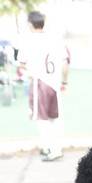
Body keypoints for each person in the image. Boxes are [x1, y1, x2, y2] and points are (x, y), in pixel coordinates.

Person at [17, 10, 69, 162]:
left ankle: (50, 149)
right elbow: (65, 63)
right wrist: (64, 82)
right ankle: (56, 148)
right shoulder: (55, 38)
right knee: (55, 118)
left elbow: (21, 64)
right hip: (54, 83)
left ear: (30, 24)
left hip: (39, 82)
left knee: (42, 119)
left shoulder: (27, 40)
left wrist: (26, 72)